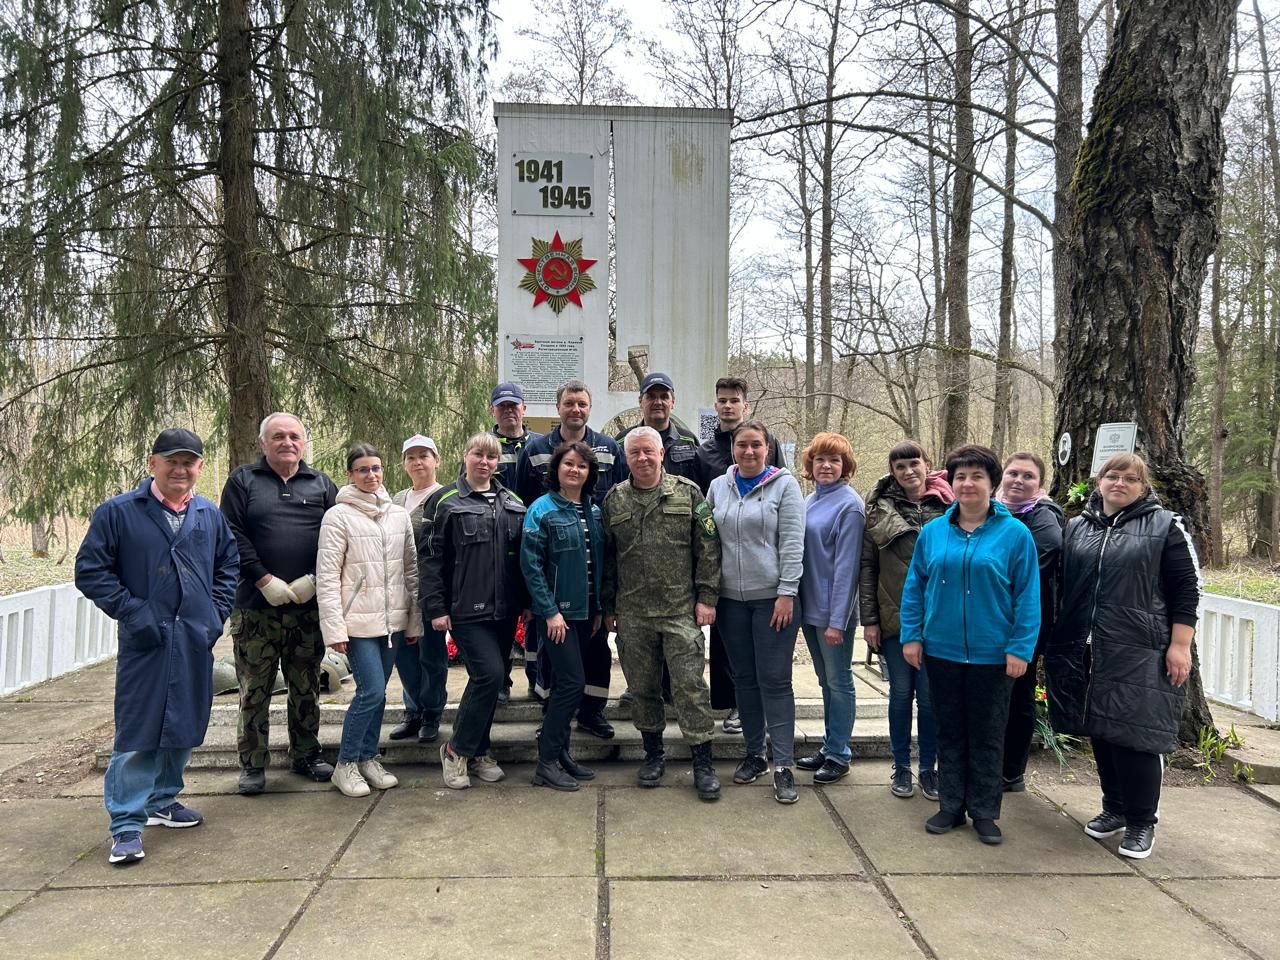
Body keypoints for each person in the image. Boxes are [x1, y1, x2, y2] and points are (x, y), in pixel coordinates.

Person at [75, 428, 239, 865]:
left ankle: (163, 799)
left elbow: (229, 566)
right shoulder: (119, 512)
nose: (180, 469)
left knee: (185, 722)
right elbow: (91, 571)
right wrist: (134, 611)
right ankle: (127, 824)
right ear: (153, 464)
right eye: (172, 461)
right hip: (146, 640)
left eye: (189, 462)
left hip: (193, 638)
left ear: (200, 467)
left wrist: (214, 615)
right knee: (138, 729)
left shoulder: (208, 515)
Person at [1045, 452, 1201, 860]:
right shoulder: (1077, 527)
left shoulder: (1166, 526)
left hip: (1140, 647)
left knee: (1136, 736)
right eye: (1112, 476)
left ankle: (1141, 821)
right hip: (1088, 646)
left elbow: (1187, 589)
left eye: (1130, 478)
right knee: (1101, 727)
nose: (1119, 483)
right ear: (1098, 481)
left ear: (1142, 485)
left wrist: (1180, 645)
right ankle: (1113, 807)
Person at [899, 444, 1040, 846]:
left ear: (992, 484)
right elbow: (915, 589)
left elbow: (1028, 596)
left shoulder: (1014, 535)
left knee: (988, 733)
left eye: (977, 476)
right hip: (940, 651)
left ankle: (984, 811)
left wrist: (1020, 648)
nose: (967, 483)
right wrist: (912, 636)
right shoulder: (933, 533)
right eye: (960, 476)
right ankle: (950, 805)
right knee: (949, 730)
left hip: (993, 656)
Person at [221, 412, 339, 796]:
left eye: (294, 436)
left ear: (304, 442)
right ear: (263, 443)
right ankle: (253, 764)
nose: (287, 442)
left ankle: (306, 754)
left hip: (307, 608)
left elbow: (338, 536)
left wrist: (316, 579)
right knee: (254, 689)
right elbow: (231, 533)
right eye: (278, 436)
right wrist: (262, 577)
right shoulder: (244, 481)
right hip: (257, 607)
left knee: (305, 685)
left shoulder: (321, 484)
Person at [603, 426, 722, 801]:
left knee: (690, 687)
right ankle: (653, 754)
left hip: (679, 610)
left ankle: (702, 760)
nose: (642, 458)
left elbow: (708, 547)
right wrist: (608, 607)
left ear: (660, 454)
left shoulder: (688, 492)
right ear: (627, 458)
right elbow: (608, 559)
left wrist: (707, 597)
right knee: (643, 689)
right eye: (634, 453)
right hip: (634, 613)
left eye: (648, 452)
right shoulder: (614, 500)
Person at [516, 379, 627, 738]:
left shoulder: (610, 447)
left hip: (594, 564)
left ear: (589, 408)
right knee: (552, 651)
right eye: (569, 403)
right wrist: (533, 598)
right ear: (558, 407)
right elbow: (522, 510)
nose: (575, 409)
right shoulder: (534, 449)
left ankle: (592, 712)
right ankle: (553, 715)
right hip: (553, 573)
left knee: (596, 651)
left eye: (582, 403)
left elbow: (619, 500)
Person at [420, 432, 529, 790]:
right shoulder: (445, 501)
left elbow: (523, 560)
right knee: (489, 676)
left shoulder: (512, 501)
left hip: (505, 609)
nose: (485, 462)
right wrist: (436, 608)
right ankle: (456, 750)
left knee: (492, 680)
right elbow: (431, 560)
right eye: (478, 455)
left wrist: (526, 603)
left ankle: (479, 750)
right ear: (465, 456)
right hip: (466, 609)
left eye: (492, 457)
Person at [707, 420, 806, 804]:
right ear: (733, 448)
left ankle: (783, 765)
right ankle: (755, 755)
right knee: (744, 680)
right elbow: (709, 541)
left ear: (768, 449)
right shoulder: (719, 486)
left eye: (756, 446)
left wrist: (787, 592)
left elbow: (794, 543)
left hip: (773, 600)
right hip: (731, 601)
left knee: (775, 680)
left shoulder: (785, 485)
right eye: (742, 445)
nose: (749, 452)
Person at [316, 444, 422, 797]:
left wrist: (413, 620)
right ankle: (345, 764)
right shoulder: (338, 516)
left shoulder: (398, 515)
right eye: (362, 469)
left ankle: (367, 757)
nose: (371, 475)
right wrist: (334, 629)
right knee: (371, 691)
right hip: (357, 624)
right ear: (350, 474)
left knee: (379, 695)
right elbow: (328, 576)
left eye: (376, 468)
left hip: (392, 623)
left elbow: (411, 570)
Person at [859, 440, 952, 801]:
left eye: (915, 463)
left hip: (939, 618)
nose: (909, 471)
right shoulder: (879, 510)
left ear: (927, 464)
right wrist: (869, 619)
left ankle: (928, 768)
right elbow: (868, 566)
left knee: (929, 699)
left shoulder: (948, 505)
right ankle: (901, 766)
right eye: (900, 466)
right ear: (892, 472)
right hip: (894, 616)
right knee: (901, 694)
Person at [696, 376, 788, 734]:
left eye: (734, 399)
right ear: (715, 404)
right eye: (722, 400)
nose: (728, 405)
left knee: (760, 646)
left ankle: (748, 704)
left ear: (745, 404)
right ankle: (728, 700)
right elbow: (701, 509)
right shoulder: (705, 452)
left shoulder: (768, 442)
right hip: (721, 560)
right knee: (723, 638)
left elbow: (783, 490)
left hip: (762, 565)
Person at [520, 441, 605, 791]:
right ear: (557, 469)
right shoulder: (541, 510)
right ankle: (546, 761)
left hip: (587, 614)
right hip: (557, 617)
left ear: (590, 473)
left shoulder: (594, 511)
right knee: (571, 683)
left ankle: (562, 753)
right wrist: (550, 611)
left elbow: (600, 563)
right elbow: (531, 566)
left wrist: (600, 608)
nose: (575, 470)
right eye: (569, 464)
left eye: (582, 466)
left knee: (568, 684)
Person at [615, 372, 701, 704]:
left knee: (677, 626)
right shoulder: (624, 438)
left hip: (677, 546)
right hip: (636, 545)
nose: (658, 401)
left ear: (673, 401)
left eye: (664, 395)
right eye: (651, 396)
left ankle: (672, 687)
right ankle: (641, 686)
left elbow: (700, 495)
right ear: (641, 401)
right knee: (639, 628)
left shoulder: (689, 442)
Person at [795, 432, 865, 784]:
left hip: (833, 615)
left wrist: (837, 622)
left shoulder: (849, 505)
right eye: (820, 459)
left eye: (834, 460)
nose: (826, 466)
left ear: (845, 466)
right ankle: (829, 744)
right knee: (825, 681)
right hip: (810, 610)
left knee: (840, 682)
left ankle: (840, 753)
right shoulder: (810, 501)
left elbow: (847, 568)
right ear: (810, 465)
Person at [996, 451, 1065, 792]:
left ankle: (1011, 771)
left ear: (1040, 485)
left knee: (1017, 692)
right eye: (1013, 474)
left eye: (1028, 476)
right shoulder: (991, 511)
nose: (1018, 481)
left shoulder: (1042, 517)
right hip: (991, 621)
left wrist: (995, 590)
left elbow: (1042, 558)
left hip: (1026, 621)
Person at [388, 435, 448, 744]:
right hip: (399, 591)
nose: (417, 461)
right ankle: (412, 710)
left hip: (430, 591)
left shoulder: (446, 497)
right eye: (411, 457)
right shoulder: (396, 499)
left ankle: (431, 713)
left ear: (436, 460)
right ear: (404, 464)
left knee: (431, 655)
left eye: (424, 455)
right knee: (404, 654)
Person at [490, 382, 541, 704]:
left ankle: (537, 680)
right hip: (499, 545)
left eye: (514, 405)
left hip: (537, 540)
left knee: (536, 611)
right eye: (502, 406)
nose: (509, 411)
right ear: (493, 410)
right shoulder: (485, 446)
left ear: (524, 409)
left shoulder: (539, 445)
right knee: (503, 616)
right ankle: (500, 681)